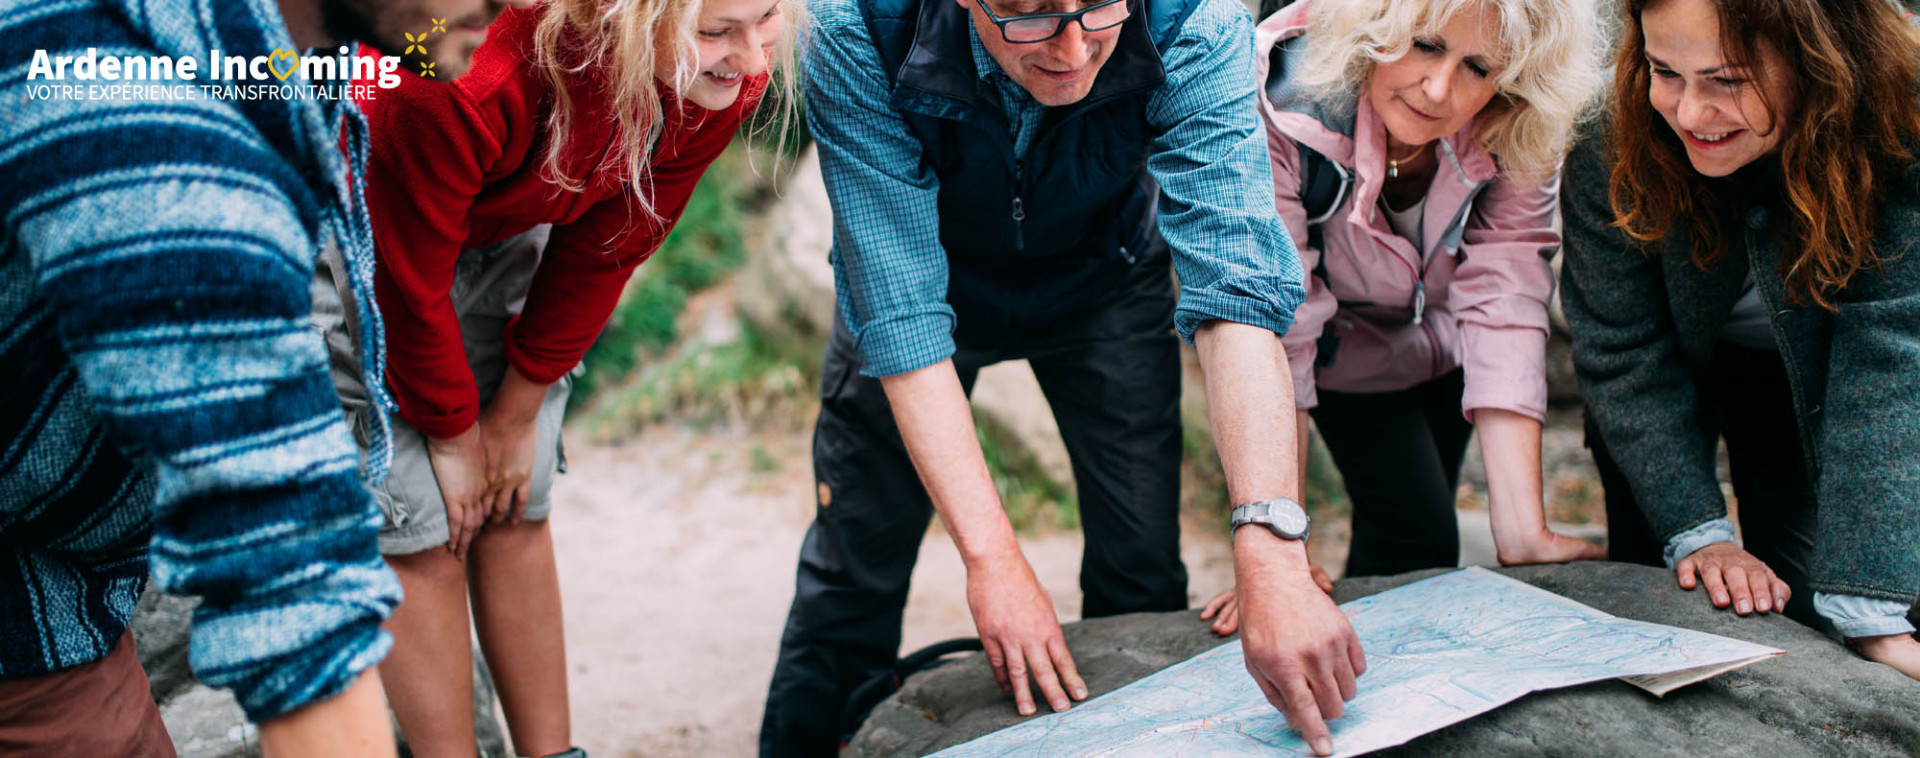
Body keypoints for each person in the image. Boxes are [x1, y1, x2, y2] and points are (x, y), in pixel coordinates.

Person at [762, 0, 1364, 753]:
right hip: (915, 279)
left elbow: (1236, 288)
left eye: (1100, 7)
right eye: (1030, 13)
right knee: (854, 571)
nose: (1073, 49)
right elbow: (902, 317)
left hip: (1104, 278)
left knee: (1139, 567)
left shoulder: (1196, 22)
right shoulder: (855, 26)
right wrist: (993, 560)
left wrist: (1272, 546)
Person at [0, 0, 527, 754]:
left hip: (58, 577)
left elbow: (407, 36)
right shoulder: (150, 146)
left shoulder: (295, 46)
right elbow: (290, 597)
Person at [349, 0, 797, 754]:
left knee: (514, 500)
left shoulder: (716, 77)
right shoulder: (456, 71)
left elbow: (608, 247)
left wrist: (514, 416)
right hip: (369, 220)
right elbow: (404, 278)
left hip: (504, 211)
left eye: (767, 18)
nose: (753, 61)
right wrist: (455, 436)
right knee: (424, 525)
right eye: (716, 32)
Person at [1197, 0, 1607, 632]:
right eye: (1423, 44)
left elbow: (1507, 283)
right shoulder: (1278, 99)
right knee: (1420, 533)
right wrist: (1280, 554)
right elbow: (1283, 318)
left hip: (1446, 345)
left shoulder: (1521, 120)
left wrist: (1524, 532)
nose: (1439, 89)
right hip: (1341, 353)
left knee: (1404, 538)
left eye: (1478, 67)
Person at [1561, 0, 1920, 680]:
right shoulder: (1606, 136)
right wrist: (1699, 531)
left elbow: (1889, 347)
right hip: (1656, 375)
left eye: (1726, 80)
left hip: (1818, 369)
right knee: (1665, 593)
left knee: (1819, 595)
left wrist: (1870, 607)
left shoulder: (1899, 121)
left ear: (1821, 63)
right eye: (1664, 71)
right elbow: (1622, 348)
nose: (1690, 113)